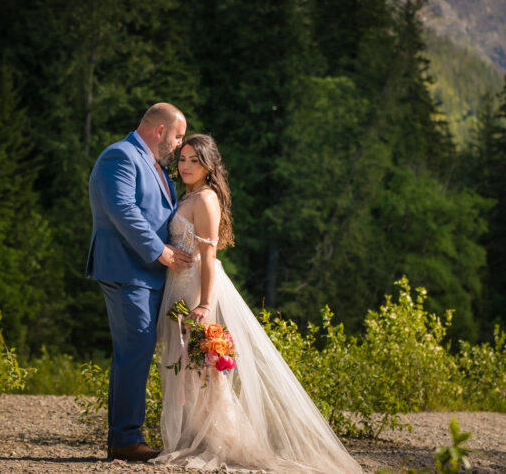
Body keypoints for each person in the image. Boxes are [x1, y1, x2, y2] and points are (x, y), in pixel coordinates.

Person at [153, 134, 361, 473]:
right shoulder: (187, 196)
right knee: (185, 365)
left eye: (194, 160)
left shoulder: (206, 200)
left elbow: (208, 256)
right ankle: (194, 433)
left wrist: (205, 303)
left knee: (202, 364)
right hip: (177, 286)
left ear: (209, 166)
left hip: (195, 289)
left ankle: (218, 438)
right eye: (183, 159)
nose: (186, 166)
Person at [86, 103, 191, 462]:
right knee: (135, 352)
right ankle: (125, 440)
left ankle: (126, 435)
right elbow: (123, 210)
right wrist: (160, 252)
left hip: (146, 274)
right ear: (160, 130)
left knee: (139, 352)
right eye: (178, 136)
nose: (179, 145)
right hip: (126, 270)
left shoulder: (154, 165)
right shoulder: (120, 156)